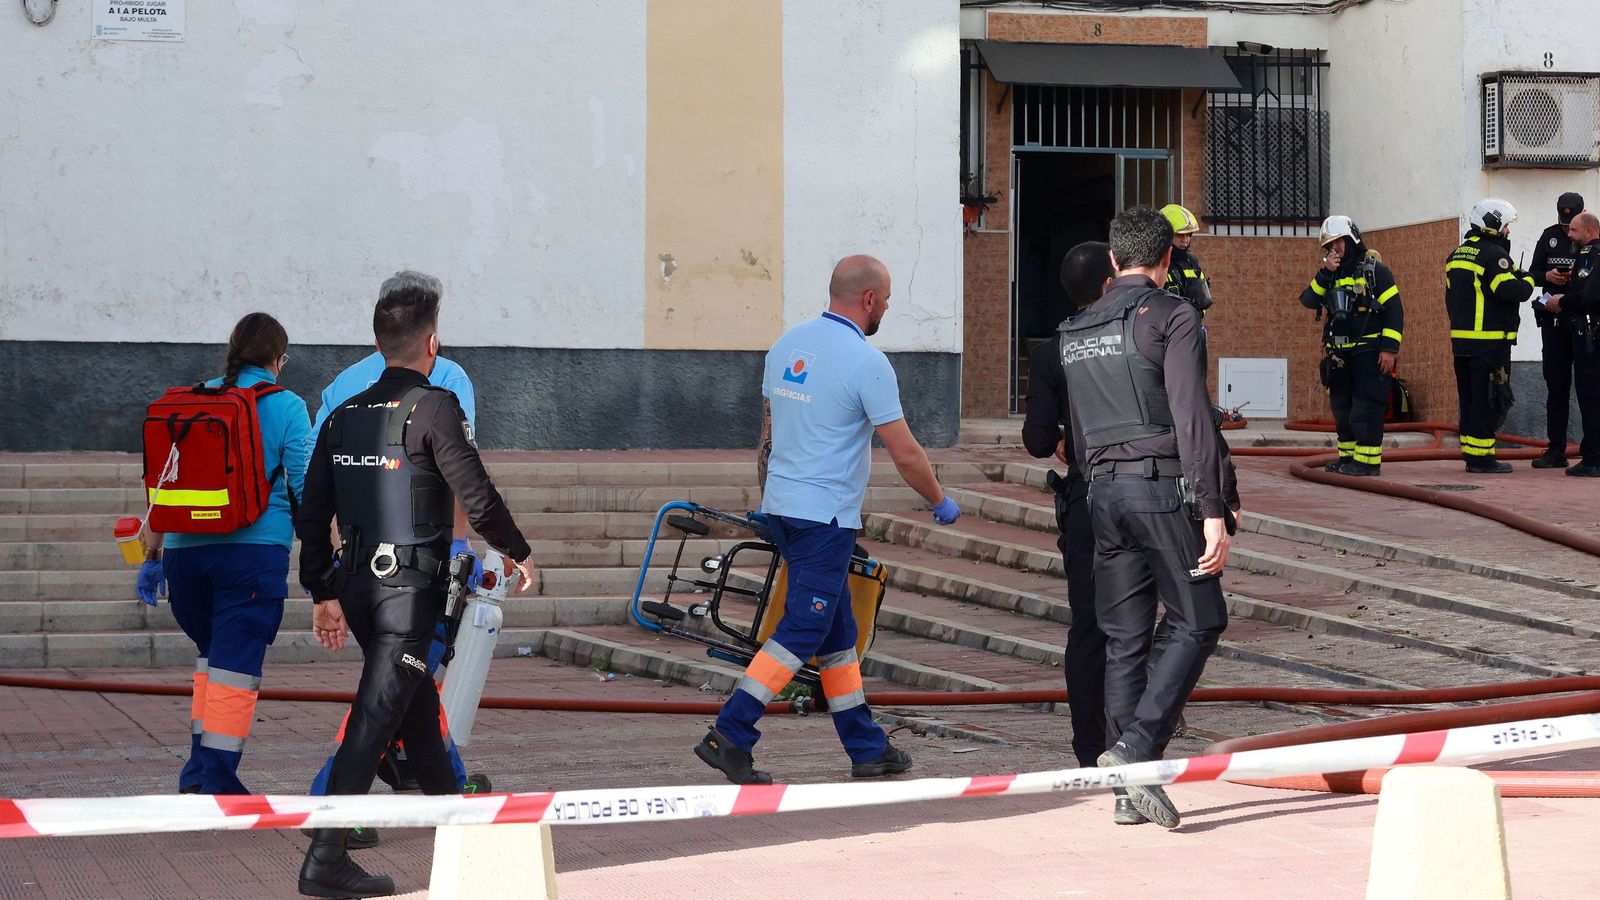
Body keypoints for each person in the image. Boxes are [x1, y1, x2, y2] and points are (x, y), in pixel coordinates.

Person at [294, 272, 535, 898]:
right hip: (408, 589)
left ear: (379, 343)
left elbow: (312, 507)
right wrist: (516, 551)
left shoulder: (343, 414)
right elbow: (476, 494)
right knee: (377, 715)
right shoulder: (434, 407)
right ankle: (325, 855)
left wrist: (321, 589)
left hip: (357, 586)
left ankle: (456, 821)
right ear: (431, 343)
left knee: (420, 714)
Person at [695, 254, 963, 785]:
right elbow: (905, 452)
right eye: (885, 300)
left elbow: (767, 435)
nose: (885, 308)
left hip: (785, 508)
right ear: (868, 300)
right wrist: (938, 500)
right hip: (825, 519)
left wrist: (769, 494)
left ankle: (867, 748)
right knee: (805, 626)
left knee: (837, 634)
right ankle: (730, 732)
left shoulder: (786, 346)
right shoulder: (867, 362)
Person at [1058, 207, 1238, 830]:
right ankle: (1137, 749)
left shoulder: (1076, 329)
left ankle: (1124, 791)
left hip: (1101, 496)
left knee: (1123, 641)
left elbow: (1078, 435)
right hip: (1160, 490)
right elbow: (1192, 417)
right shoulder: (1174, 316)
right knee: (1199, 619)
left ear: (1113, 260)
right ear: (1166, 260)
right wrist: (1213, 509)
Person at [137, 313, 311, 795]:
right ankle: (214, 782)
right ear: (279, 360)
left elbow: (159, 486)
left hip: (183, 556)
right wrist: (325, 555)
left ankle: (199, 775)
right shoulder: (287, 405)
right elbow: (304, 488)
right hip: (252, 558)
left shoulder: (190, 401)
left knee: (212, 664)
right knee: (234, 672)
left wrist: (151, 558)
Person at [1299, 215, 1404, 476]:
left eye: (1338, 243)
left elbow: (1394, 311)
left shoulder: (1375, 271)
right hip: (1340, 355)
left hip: (1370, 352)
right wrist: (1326, 272)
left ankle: (1367, 463)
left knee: (1365, 407)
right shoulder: (1330, 275)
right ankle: (1347, 459)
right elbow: (1309, 300)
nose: (1334, 249)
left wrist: (1389, 349)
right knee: (1342, 409)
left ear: (1351, 239)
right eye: (1330, 246)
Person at [1445, 199, 1536, 474]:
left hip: (1462, 343)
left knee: (1470, 398)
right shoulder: (1493, 256)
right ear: (1493, 224)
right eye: (1506, 225)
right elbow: (1511, 290)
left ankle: (1472, 455)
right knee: (1489, 398)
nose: (1508, 231)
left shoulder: (1457, 254)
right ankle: (1482, 458)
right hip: (1489, 342)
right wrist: (1528, 278)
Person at [1529, 193, 1585, 468]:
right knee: (1557, 385)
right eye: (1564, 224)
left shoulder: (1590, 240)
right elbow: (1531, 273)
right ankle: (1556, 448)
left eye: (1571, 224)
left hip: (1582, 320)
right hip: (1553, 322)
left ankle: (1592, 447)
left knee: (1589, 386)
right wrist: (1547, 277)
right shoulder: (1549, 236)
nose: (1567, 231)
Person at [1548, 210, 1600, 477]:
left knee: (1590, 397)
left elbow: (1587, 296)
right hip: (1592, 335)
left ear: (1589, 232)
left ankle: (1593, 459)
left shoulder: (1591, 255)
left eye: (1574, 231)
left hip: (1589, 337)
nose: (1569, 234)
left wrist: (1560, 302)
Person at [1159, 204, 1212, 314]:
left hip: (1189, 325)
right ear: (1165, 235)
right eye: (1180, 235)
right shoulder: (1155, 262)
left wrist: (1196, 318)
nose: (1185, 240)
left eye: (1188, 235)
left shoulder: (1191, 261)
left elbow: (1203, 300)